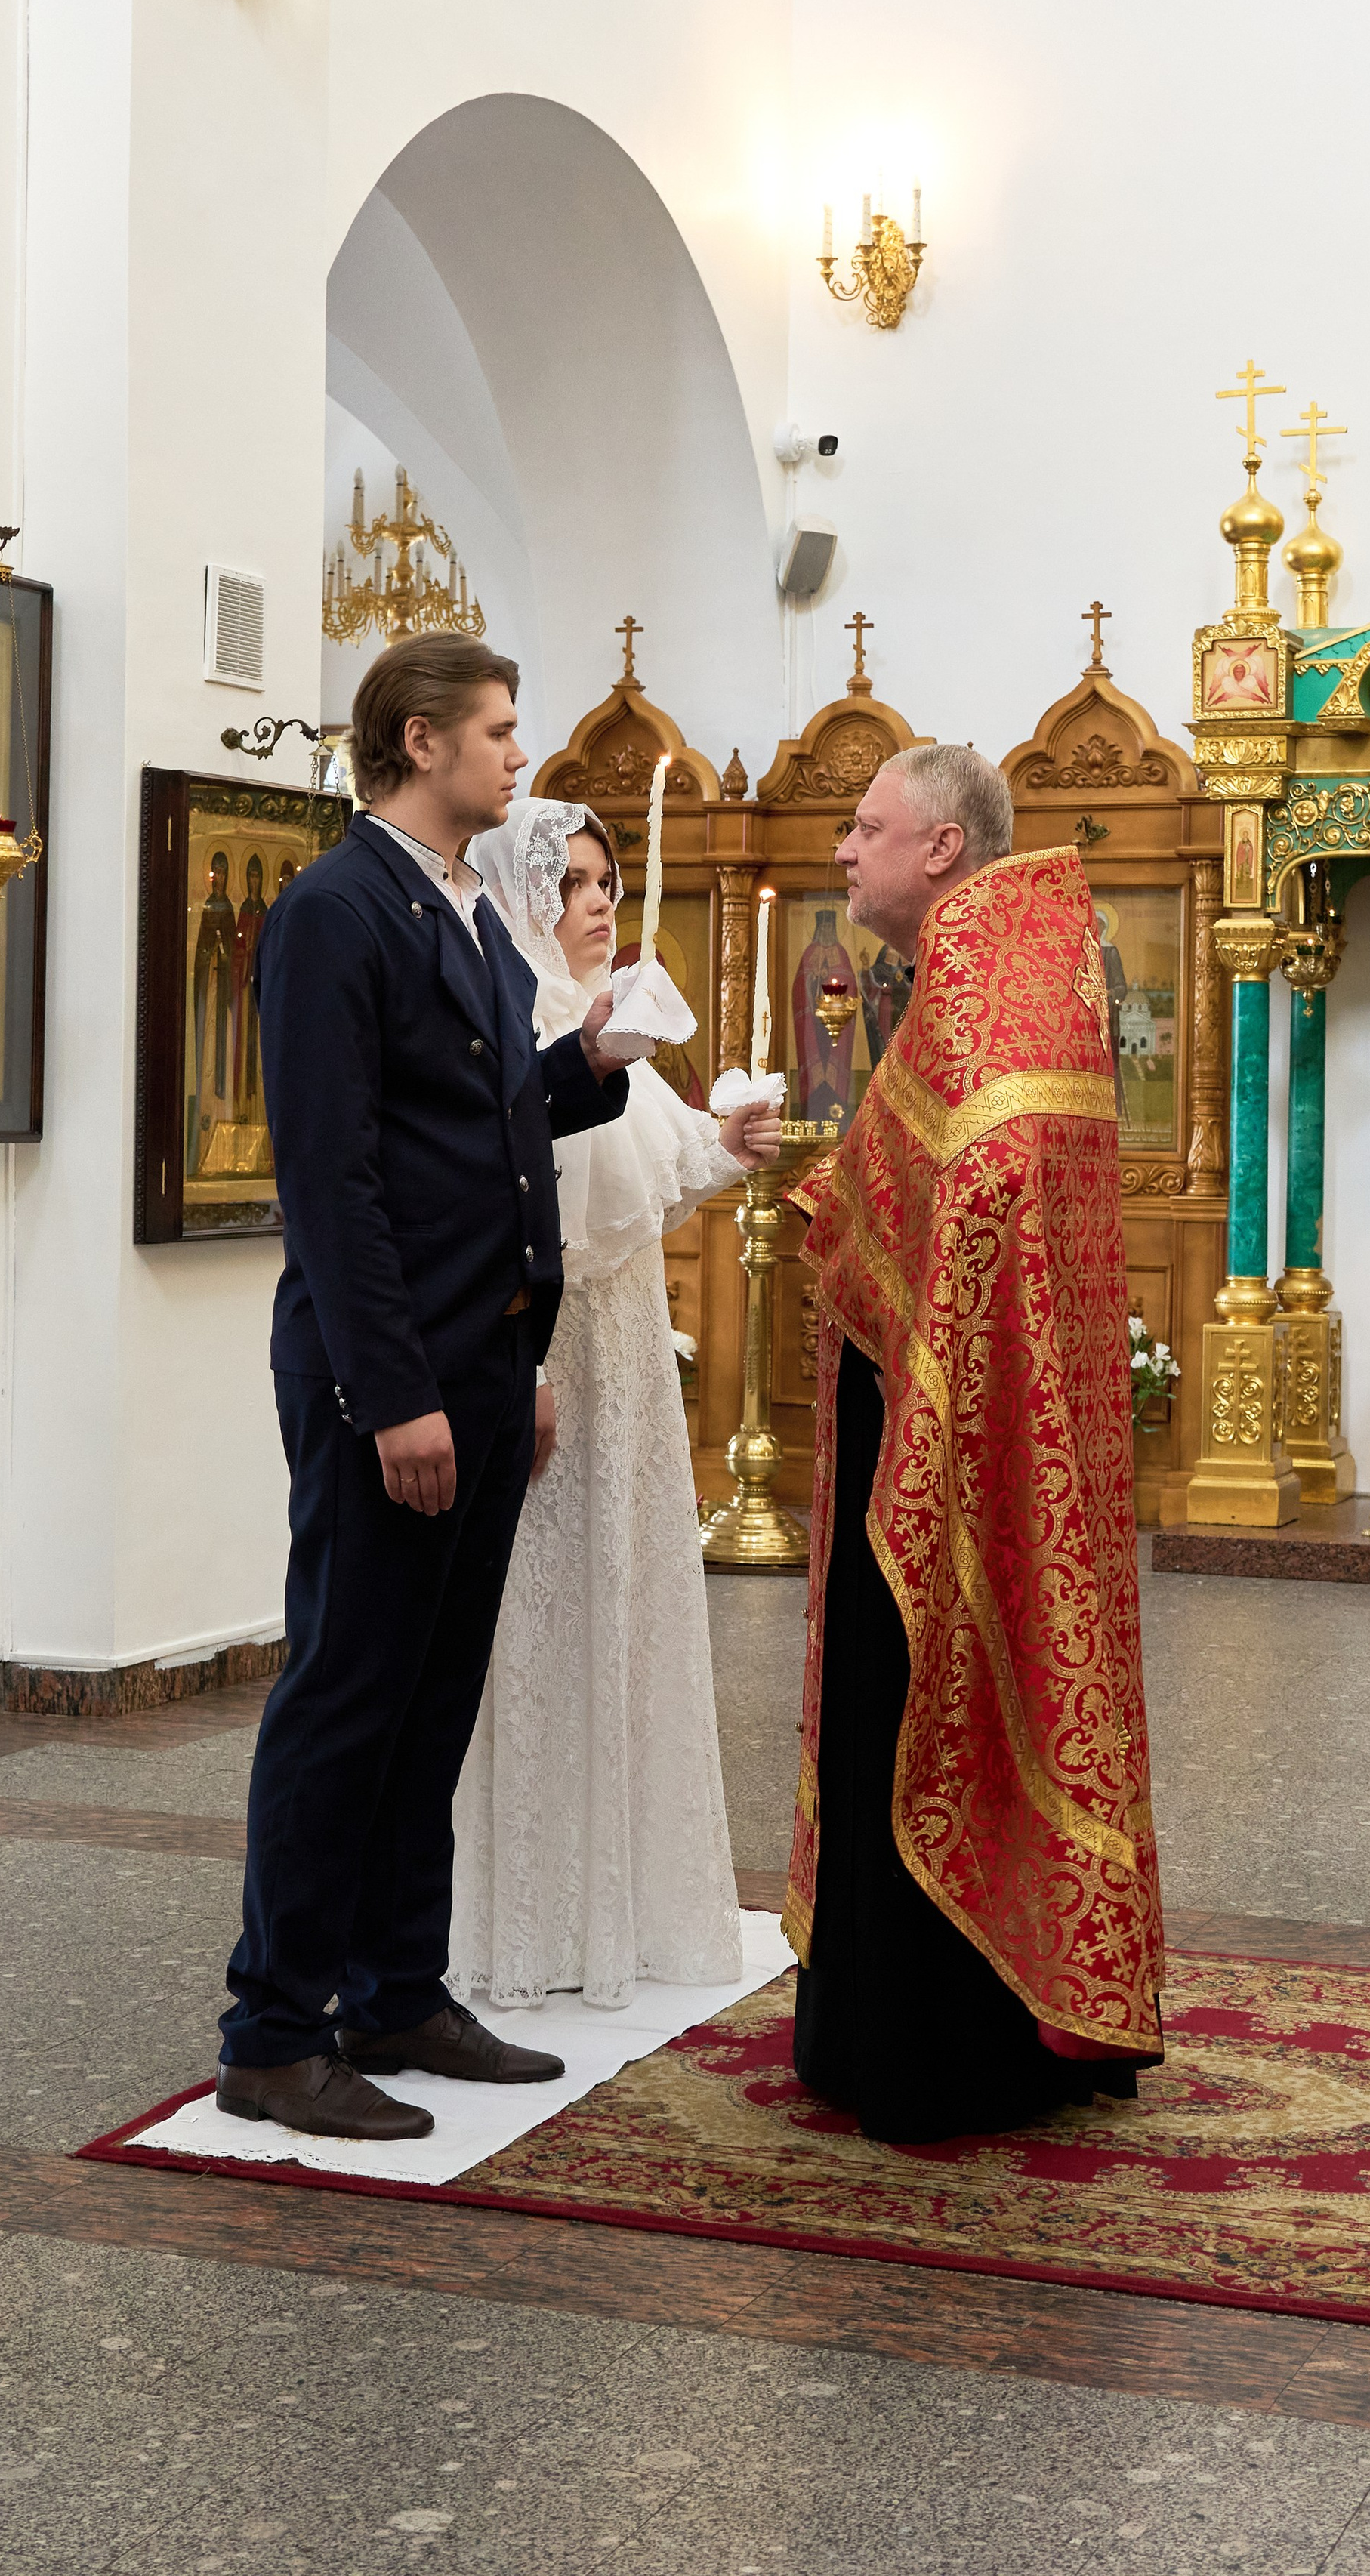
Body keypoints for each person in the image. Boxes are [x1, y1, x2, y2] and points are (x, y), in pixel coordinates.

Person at [216, 637, 632, 2140]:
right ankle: (272, 2028)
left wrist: (590, 1059)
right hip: (379, 1368)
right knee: (347, 1689)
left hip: (477, 1350)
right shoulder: (338, 907)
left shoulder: (451, 902)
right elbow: (330, 1176)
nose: (518, 756)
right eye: (500, 732)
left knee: (430, 1689)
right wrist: (396, 1396)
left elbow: (482, 1114)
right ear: (418, 738)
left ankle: (393, 1986)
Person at [784, 744, 1165, 2143]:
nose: (844, 849)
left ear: (941, 847)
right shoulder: (1014, 965)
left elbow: (983, 1184)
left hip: (951, 1427)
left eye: (866, 826)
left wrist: (856, 1209)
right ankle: (994, 2015)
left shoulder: (986, 976)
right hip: (964, 1402)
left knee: (927, 1686)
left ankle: (933, 2044)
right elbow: (954, 1175)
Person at [449, 799, 779, 2007]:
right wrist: (528, 1372)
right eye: (577, 882)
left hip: (630, 1357)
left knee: (628, 1604)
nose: (600, 901)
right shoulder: (519, 1027)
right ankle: (532, 1922)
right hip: (555, 1364)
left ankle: (622, 1905)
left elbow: (663, 1162)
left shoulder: (603, 1031)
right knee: (546, 1620)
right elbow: (516, 1222)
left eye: (606, 879)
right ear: (526, 895)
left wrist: (729, 1138)